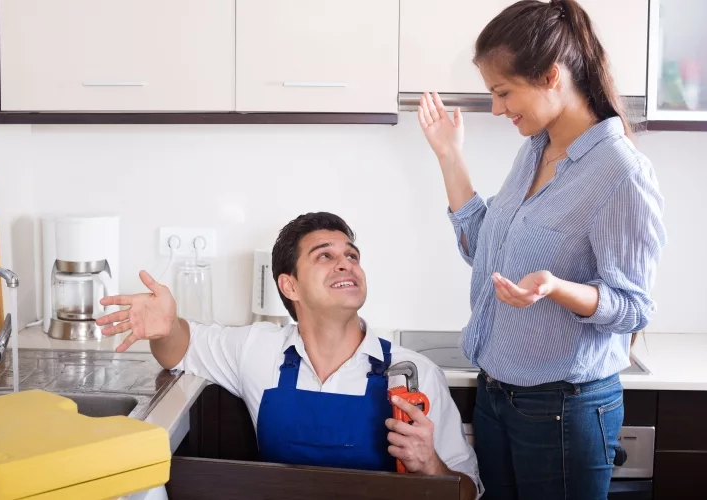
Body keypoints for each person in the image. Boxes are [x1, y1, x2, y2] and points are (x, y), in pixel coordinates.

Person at [416, 1, 666, 499]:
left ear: (551, 76)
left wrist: (556, 288)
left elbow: (634, 309)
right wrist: (449, 154)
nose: (496, 108)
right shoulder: (535, 149)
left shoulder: (620, 173)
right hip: (496, 397)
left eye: (503, 92)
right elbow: (484, 250)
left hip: (563, 410)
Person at [96, 212, 482, 498]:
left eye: (351, 255)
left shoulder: (414, 374)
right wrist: (166, 325)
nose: (346, 262)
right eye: (325, 256)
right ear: (289, 285)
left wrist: (430, 466)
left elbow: (468, 492)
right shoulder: (259, 350)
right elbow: (181, 346)